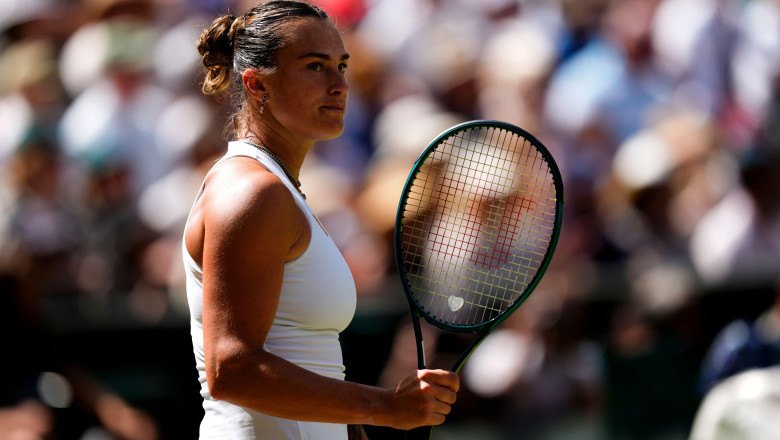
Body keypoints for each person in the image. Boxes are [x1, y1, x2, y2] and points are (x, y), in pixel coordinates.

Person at [182, 1, 460, 438]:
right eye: (315, 67)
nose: (340, 84)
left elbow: (307, 358)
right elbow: (230, 368)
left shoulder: (279, 190)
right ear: (257, 85)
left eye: (342, 66)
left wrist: (356, 427)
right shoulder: (254, 192)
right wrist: (383, 406)